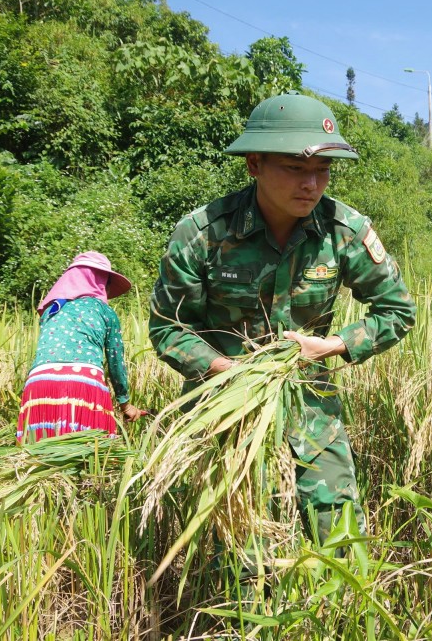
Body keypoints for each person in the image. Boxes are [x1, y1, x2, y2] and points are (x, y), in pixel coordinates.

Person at [149, 91, 416, 544]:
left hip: (310, 407)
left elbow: (397, 311)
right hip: (225, 411)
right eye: (295, 169)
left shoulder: (344, 231)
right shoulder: (204, 232)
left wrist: (330, 346)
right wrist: (224, 370)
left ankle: (332, 615)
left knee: (338, 536)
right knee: (241, 544)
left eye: (323, 171)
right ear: (254, 164)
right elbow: (168, 327)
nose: (311, 184)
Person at [17, 251, 147, 443]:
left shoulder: (52, 311)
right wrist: (125, 405)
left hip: (39, 383)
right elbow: (115, 362)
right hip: (83, 383)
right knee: (91, 455)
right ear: (102, 282)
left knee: (40, 456)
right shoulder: (104, 311)